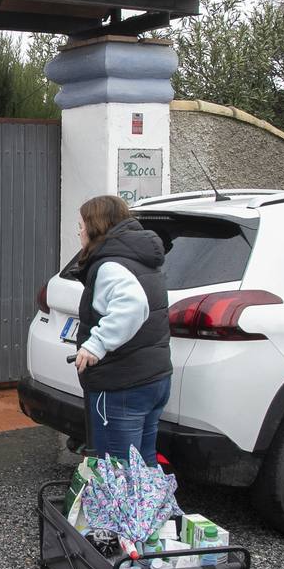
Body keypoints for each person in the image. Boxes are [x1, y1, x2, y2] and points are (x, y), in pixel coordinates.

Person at [69, 195, 172, 466]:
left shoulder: (110, 265)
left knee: (117, 467)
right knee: (143, 461)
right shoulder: (139, 257)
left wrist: (96, 344)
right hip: (153, 378)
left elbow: (133, 305)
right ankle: (150, 509)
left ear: (95, 226)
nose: (79, 231)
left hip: (121, 384)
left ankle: (120, 510)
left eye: (81, 225)